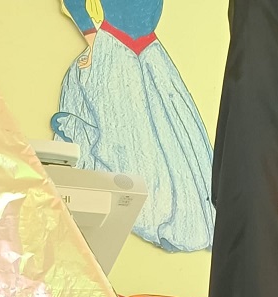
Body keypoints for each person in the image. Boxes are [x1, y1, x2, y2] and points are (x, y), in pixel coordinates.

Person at [52, 0, 215, 254]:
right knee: (126, 139)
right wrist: (92, 39)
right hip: (114, 48)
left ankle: (182, 217)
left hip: (150, 51)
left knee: (173, 140)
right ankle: (152, 214)